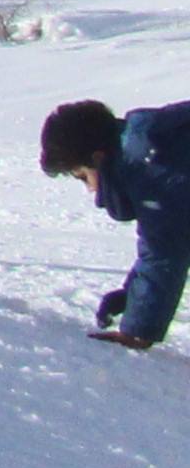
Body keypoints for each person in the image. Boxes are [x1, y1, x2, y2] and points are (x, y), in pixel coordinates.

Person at [41, 99, 188, 350]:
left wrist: (136, 331)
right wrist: (133, 296)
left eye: (84, 177)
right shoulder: (150, 145)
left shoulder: (150, 164)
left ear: (98, 158)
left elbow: (165, 252)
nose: (90, 189)